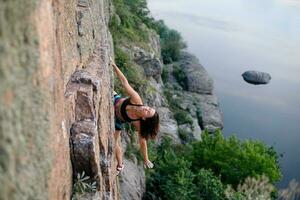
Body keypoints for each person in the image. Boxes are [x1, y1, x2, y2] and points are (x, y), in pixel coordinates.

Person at [110, 58, 159, 175]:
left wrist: (146, 159)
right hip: (114, 99)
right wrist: (114, 66)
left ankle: (120, 164)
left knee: (114, 142)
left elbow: (143, 143)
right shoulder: (137, 99)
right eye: (149, 108)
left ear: (143, 118)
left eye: (147, 112)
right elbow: (124, 83)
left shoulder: (138, 122)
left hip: (118, 120)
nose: (146, 108)